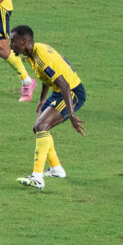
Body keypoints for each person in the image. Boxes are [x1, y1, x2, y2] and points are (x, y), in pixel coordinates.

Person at [10, 25, 86, 190]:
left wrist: (71, 114)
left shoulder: (41, 57)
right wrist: (42, 100)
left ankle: (37, 177)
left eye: (13, 41)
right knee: (37, 128)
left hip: (72, 93)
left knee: (42, 126)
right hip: (59, 91)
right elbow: (46, 77)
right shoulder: (32, 53)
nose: (10, 45)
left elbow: (65, 85)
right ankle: (56, 169)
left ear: (24, 42)